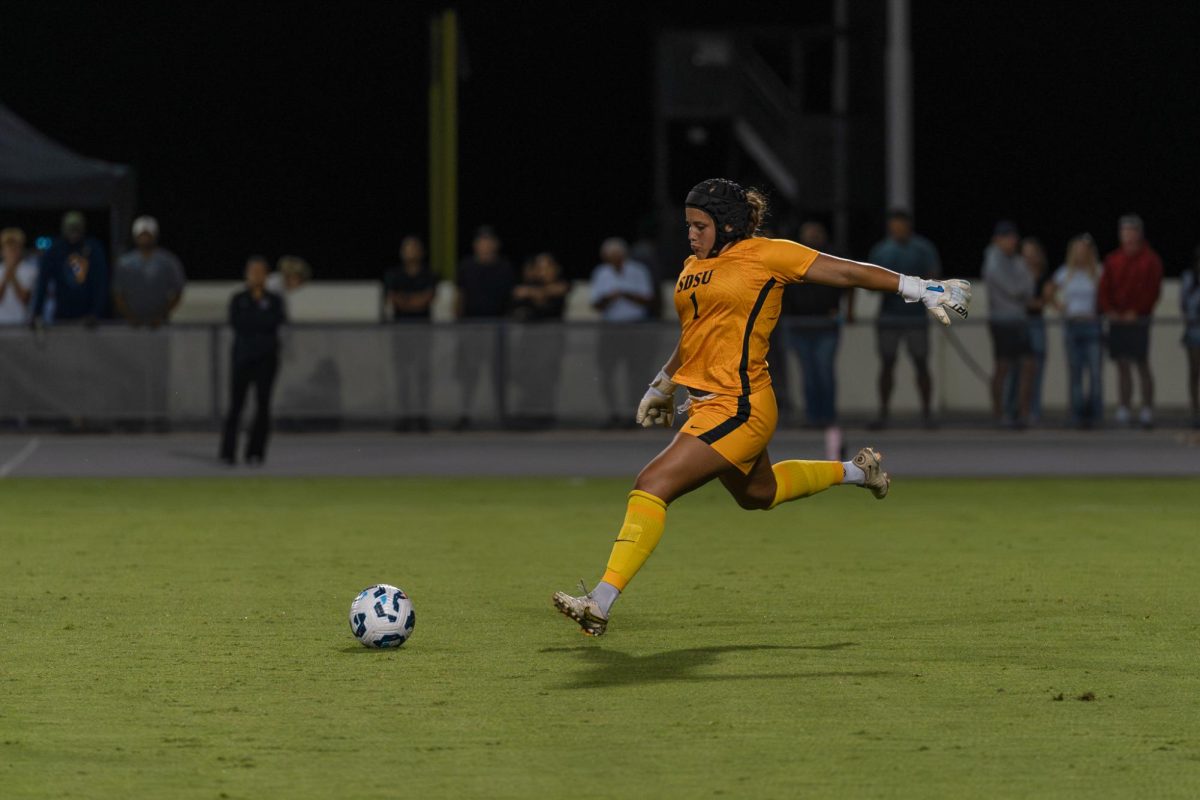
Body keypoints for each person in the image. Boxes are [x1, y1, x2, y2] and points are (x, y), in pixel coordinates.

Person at [552, 178, 971, 636]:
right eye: (688, 225)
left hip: (742, 406)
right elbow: (695, 335)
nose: (691, 234)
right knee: (759, 494)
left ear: (728, 225)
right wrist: (663, 384)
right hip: (707, 404)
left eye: (700, 225)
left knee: (651, 484)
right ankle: (857, 470)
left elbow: (848, 272)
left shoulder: (767, 254)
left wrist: (918, 287)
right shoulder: (693, 265)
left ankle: (601, 601)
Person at [780, 220, 850, 458]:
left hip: (825, 325)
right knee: (808, 373)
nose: (812, 237)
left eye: (816, 233)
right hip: (799, 325)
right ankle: (813, 417)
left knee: (824, 371)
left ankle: (828, 417)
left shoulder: (832, 257)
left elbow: (848, 283)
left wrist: (845, 311)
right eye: (808, 233)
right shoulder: (791, 257)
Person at [866, 209, 941, 428]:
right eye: (894, 225)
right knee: (887, 364)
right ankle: (883, 412)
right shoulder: (881, 251)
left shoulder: (923, 249)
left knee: (921, 363)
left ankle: (927, 414)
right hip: (889, 316)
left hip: (915, 317)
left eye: (901, 225)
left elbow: (933, 279)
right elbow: (870, 283)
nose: (898, 229)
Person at [220, 256, 287, 466]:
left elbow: (273, 322)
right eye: (253, 272)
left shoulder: (274, 300)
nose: (256, 276)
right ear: (246, 275)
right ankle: (228, 453)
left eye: (260, 272)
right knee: (236, 406)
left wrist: (256, 321)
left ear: (267, 276)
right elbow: (239, 323)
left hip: (266, 360)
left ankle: (255, 452)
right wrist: (258, 321)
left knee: (263, 406)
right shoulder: (238, 299)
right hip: (242, 358)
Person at [1099, 214, 1162, 428]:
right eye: (1124, 230)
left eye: (1132, 230)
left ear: (1139, 233)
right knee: (1122, 365)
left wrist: (1137, 311)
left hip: (1139, 320)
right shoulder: (1112, 259)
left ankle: (1146, 409)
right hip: (1118, 320)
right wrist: (1110, 311)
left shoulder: (1151, 260)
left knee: (1142, 363)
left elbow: (1153, 290)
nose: (1128, 234)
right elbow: (1104, 289)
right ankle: (1124, 407)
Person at [590, 237, 656, 428]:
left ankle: (634, 413)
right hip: (610, 328)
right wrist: (610, 297)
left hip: (635, 326)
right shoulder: (601, 272)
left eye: (616, 255)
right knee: (607, 371)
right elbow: (596, 304)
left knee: (637, 371)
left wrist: (624, 293)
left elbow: (647, 299)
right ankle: (613, 413)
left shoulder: (637, 271)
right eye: (610, 256)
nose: (614, 259)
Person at [454, 226, 515, 430]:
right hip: (472, 327)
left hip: (497, 329)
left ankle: (502, 415)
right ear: (475, 245)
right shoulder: (466, 266)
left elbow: (509, 298)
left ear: (496, 245)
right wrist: (459, 322)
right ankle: (465, 414)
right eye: (482, 241)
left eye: (489, 241)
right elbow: (459, 296)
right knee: (469, 374)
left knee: (498, 375)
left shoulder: (504, 267)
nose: (485, 245)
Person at [1047, 234, 1104, 428]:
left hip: (1092, 325)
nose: (1081, 254)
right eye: (1078, 250)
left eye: (1085, 250)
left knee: (1095, 372)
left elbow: (1108, 293)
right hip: (1072, 325)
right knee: (1075, 372)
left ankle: (1095, 414)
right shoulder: (1065, 273)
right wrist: (1060, 306)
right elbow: (1048, 291)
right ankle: (1077, 414)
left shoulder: (1098, 271)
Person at [983, 221, 1036, 427]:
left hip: (1020, 321)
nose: (1012, 241)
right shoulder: (992, 261)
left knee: (1028, 365)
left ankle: (1023, 412)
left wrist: (1022, 289)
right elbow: (1015, 289)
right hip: (1002, 321)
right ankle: (999, 414)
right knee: (1003, 367)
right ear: (997, 239)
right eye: (1007, 237)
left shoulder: (1017, 261)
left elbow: (1029, 288)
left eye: (1013, 237)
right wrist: (1021, 290)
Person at [509, 252, 569, 428]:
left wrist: (534, 294)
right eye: (539, 268)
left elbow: (556, 292)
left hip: (551, 340)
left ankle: (545, 415)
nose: (543, 272)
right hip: (529, 342)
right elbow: (517, 297)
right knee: (527, 377)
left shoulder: (561, 285)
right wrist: (535, 292)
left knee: (547, 377)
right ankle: (527, 413)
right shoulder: (529, 284)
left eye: (547, 267)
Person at [384, 236, 435, 432]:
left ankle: (422, 415)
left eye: (415, 248)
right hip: (401, 332)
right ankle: (404, 416)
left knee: (423, 375)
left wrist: (411, 301)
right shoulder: (394, 274)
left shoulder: (428, 274)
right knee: (402, 375)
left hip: (423, 331)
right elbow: (394, 299)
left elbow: (427, 298)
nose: (411, 252)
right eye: (407, 248)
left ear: (421, 252)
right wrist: (411, 301)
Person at [31, 211, 109, 325]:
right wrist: (37, 312)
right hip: (62, 313)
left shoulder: (93, 249)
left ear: (82, 228)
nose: (74, 233)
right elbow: (43, 282)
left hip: (88, 316)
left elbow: (101, 284)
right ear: (64, 228)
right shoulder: (55, 250)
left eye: (76, 228)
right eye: (71, 228)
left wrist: (96, 313)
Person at [113, 216, 186, 328]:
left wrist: (161, 316)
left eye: (148, 234)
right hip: (132, 326)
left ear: (155, 235)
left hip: (160, 325)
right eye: (141, 234)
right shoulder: (124, 263)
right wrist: (130, 317)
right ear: (135, 236)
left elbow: (178, 291)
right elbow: (118, 293)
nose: (145, 238)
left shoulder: (168, 261)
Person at [1008, 237, 1049, 424]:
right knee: (1016, 369)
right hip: (1019, 323)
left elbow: (1043, 301)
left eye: (1033, 254)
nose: (1029, 258)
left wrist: (1031, 302)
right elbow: (1016, 298)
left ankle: (1033, 410)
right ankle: (1014, 409)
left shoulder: (1043, 276)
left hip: (1036, 324)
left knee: (1036, 369)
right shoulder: (1016, 274)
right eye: (1025, 255)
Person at [0, 228, 37, 325]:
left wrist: (12, 276)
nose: (11, 252)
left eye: (15, 248)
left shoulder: (30, 270)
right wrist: (6, 275)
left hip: (22, 323)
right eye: (8, 248)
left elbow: (25, 299)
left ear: (21, 249)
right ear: (2, 251)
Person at [1181, 245, 1200, 428]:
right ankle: (1195, 410)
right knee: (1194, 372)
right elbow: (1184, 304)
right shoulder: (1189, 278)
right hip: (1195, 332)